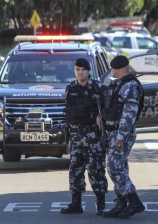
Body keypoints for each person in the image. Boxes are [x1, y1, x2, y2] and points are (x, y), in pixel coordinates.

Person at [61, 58, 108, 216]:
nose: (80, 72)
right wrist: (67, 138)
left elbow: (109, 108)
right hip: (75, 135)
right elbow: (67, 113)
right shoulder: (70, 88)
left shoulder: (98, 88)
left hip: (93, 135)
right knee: (75, 170)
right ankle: (76, 203)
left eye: (83, 69)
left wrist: (101, 116)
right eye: (77, 69)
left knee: (96, 170)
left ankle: (101, 204)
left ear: (88, 71)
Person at [102, 55, 145, 219]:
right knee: (119, 167)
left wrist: (120, 136)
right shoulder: (121, 84)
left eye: (113, 69)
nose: (112, 71)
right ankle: (121, 203)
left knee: (115, 168)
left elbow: (129, 114)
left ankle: (134, 201)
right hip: (114, 132)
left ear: (118, 69)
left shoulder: (131, 86)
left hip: (122, 133)